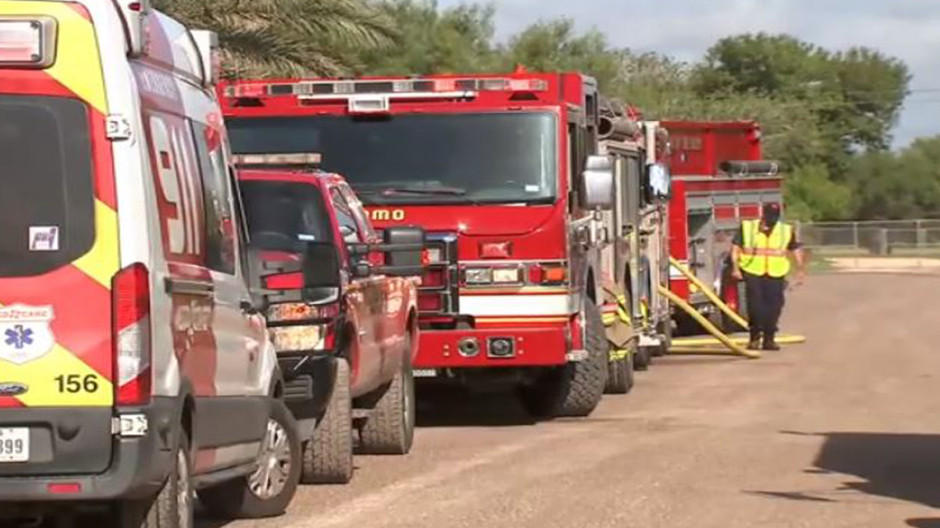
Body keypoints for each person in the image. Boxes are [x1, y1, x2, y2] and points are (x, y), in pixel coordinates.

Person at [731, 203, 806, 351]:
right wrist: (735, 268)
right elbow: (735, 248)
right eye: (769, 216)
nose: (772, 220)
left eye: (775, 217)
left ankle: (769, 339)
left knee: (774, 307)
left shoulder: (785, 230)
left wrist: (800, 269)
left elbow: (795, 248)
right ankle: (754, 338)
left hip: (776, 273)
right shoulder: (748, 228)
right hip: (753, 270)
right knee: (755, 307)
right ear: (763, 214)